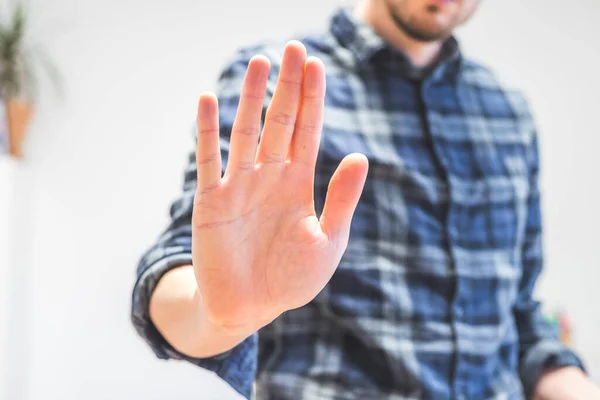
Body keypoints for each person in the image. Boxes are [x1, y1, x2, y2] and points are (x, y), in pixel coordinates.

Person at [130, 0, 600, 399]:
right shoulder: (283, 86)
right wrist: (216, 313)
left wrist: (573, 383)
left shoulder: (508, 114)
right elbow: (183, 271)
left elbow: (519, 313)